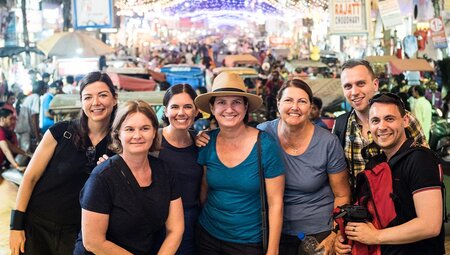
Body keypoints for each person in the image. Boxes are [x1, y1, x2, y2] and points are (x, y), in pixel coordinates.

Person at [9, 71, 118, 255]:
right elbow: (30, 177)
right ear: (81, 101)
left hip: (77, 234)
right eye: (88, 97)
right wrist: (16, 227)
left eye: (103, 95)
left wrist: (109, 171)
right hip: (37, 226)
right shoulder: (61, 132)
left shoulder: (118, 144)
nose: (96, 103)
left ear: (114, 99)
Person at [334, 93, 445, 255]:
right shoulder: (377, 164)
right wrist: (347, 236)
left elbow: (430, 225)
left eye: (389, 119)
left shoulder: (420, 160)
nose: (382, 126)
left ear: (405, 120)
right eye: (375, 121)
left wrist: (376, 236)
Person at [74, 100, 184, 254]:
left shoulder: (164, 171)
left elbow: (176, 229)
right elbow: (93, 241)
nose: (137, 135)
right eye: (129, 129)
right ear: (118, 133)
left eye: (145, 128)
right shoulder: (102, 178)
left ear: (154, 132)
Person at [194, 72, 285, 254]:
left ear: (245, 107)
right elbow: (203, 192)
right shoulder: (206, 142)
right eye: (221, 102)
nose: (229, 109)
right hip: (207, 236)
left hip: (248, 242)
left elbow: (276, 203)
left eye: (236, 102)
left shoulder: (265, 145)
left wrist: (272, 250)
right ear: (212, 108)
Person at [257, 79, 350, 255]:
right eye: (288, 100)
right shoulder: (263, 133)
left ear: (310, 107)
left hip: (317, 230)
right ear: (278, 104)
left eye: (302, 101)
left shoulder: (327, 142)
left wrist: (335, 232)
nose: (295, 107)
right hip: (274, 228)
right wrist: (203, 138)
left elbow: (342, 194)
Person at [332, 59, 428, 186]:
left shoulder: (403, 119)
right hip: (358, 203)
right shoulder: (341, 125)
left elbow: (426, 166)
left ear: (375, 84)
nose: (354, 92)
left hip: (398, 202)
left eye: (360, 83)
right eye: (348, 86)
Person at [156, 84, 203, 255]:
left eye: (187, 107)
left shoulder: (201, 144)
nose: (181, 113)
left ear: (196, 111)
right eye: (174, 107)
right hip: (156, 225)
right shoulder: (151, 142)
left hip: (191, 225)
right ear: (166, 111)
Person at [15, 80, 45, 153]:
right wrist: (37, 135)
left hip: (22, 129)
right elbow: (34, 116)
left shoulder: (31, 96)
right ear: (42, 89)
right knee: (25, 153)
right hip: (25, 130)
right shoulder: (36, 97)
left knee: (25, 152)